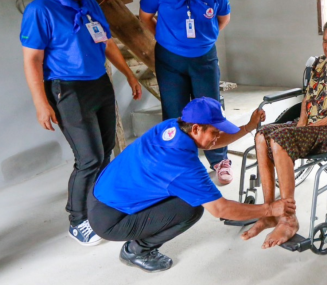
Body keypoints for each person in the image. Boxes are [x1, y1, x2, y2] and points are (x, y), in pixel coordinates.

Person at [20, 0, 142, 246]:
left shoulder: (89, 4)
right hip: (67, 89)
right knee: (88, 158)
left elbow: (106, 42)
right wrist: (41, 103)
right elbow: (32, 60)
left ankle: (96, 206)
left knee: (106, 148)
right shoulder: (41, 10)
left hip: (98, 83)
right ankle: (78, 220)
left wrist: (127, 72)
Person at [88, 97, 296, 272]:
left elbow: (212, 141)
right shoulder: (183, 166)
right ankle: (137, 250)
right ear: (196, 128)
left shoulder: (172, 126)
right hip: (112, 220)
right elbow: (220, 209)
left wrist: (249, 127)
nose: (217, 137)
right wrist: (269, 208)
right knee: (191, 208)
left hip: (102, 192)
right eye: (215, 132)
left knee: (187, 193)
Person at [242, 16, 327, 249]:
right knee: (261, 136)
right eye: (325, 41)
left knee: (278, 141)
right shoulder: (319, 64)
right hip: (307, 126)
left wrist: (313, 126)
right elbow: (308, 98)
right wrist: (301, 123)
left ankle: (289, 219)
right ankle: (270, 211)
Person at [138, 0, 234, 185]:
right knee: (174, 112)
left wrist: (204, 39)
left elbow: (223, 18)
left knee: (211, 109)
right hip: (170, 59)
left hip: (204, 56)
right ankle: (177, 162)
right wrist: (168, 39)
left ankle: (219, 159)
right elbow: (146, 17)